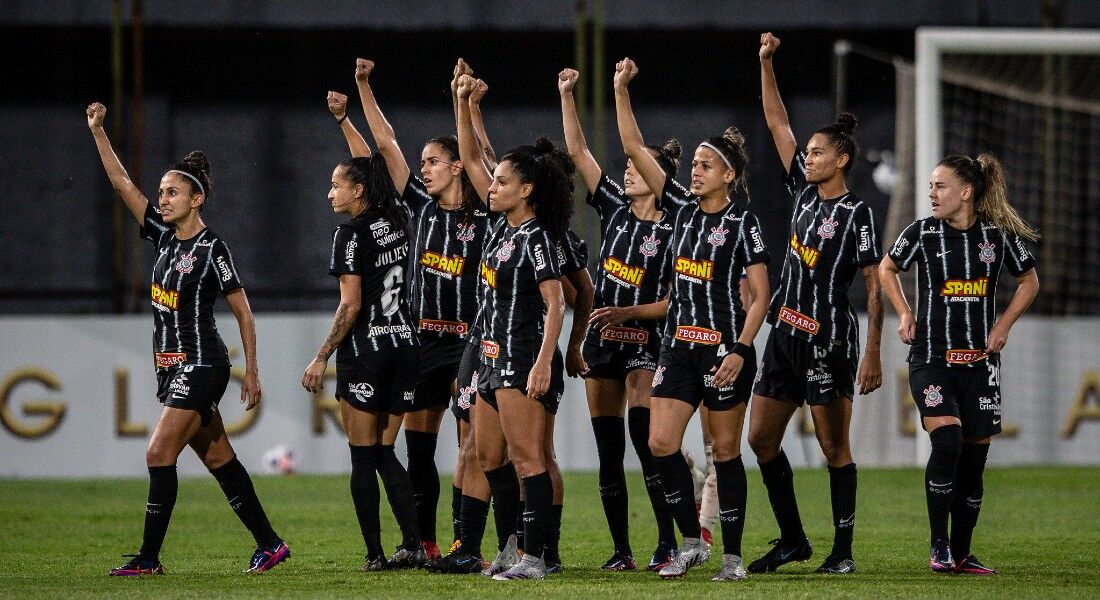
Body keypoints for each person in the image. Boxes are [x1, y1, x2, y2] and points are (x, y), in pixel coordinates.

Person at [88, 102, 289, 576]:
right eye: (161, 191)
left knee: (158, 453)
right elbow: (122, 185)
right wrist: (99, 132)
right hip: (172, 366)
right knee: (221, 459)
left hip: (202, 365)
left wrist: (253, 370)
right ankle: (271, 544)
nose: (162, 199)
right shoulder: (161, 238)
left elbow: (242, 309)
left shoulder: (211, 248)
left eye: (172, 192)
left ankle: (149, 558)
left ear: (195, 199)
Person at [614, 58, 771, 581]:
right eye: (695, 164)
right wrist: (620, 90)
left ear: (727, 175)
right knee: (659, 444)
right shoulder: (678, 207)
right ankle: (689, 542)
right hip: (678, 346)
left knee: (726, 452)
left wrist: (740, 350)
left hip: (723, 350)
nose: (695, 171)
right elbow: (635, 146)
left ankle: (731, 556)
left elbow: (761, 296)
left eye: (706, 165)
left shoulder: (743, 222)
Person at [746, 32, 884, 575]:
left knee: (833, 446)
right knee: (760, 439)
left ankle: (843, 552)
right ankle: (793, 539)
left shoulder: (858, 215)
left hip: (829, 340)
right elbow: (777, 122)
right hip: (784, 332)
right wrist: (766, 63)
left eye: (818, 151)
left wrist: (872, 351)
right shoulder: (802, 192)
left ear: (842, 158)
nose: (807, 156)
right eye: (807, 152)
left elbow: (874, 282)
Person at [347, 57, 490, 562]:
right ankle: (424, 542)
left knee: (474, 446)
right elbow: (384, 143)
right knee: (417, 447)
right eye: (423, 161)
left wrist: (465, 103)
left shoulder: (485, 211)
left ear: (456, 167)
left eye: (432, 161)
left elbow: (481, 155)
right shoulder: (418, 208)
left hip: (470, 341)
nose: (423, 167)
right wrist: (365, 85)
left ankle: (466, 542)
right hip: (422, 340)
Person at [881, 153, 1039, 575]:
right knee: (947, 440)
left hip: (980, 365)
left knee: (974, 460)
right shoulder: (922, 233)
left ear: (966, 192)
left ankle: (963, 552)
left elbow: (1029, 281)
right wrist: (904, 312)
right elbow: (887, 268)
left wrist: (1003, 325)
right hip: (931, 358)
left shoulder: (998, 236)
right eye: (931, 186)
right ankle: (939, 545)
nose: (931, 194)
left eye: (940, 186)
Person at [558, 66, 682, 572]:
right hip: (603, 339)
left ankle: (668, 542)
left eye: (639, 166)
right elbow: (579, 154)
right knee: (609, 452)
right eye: (629, 165)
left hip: (645, 341)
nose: (628, 170)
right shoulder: (613, 206)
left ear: (659, 177)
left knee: (646, 444)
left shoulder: (676, 225)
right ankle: (622, 550)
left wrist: (628, 311)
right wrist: (567, 95)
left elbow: (674, 304)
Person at [453, 73, 574, 581]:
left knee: (529, 458)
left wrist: (545, 361)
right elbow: (473, 157)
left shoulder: (539, 238)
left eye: (504, 182)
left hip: (524, 354)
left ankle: (537, 556)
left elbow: (557, 303)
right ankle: (508, 547)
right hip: (488, 352)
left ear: (526, 191)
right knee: (487, 453)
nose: (493, 186)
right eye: (495, 180)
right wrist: (462, 103)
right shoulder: (503, 228)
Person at [300, 153, 424, 571]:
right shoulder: (400, 219)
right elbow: (377, 158)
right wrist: (344, 119)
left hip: (367, 351)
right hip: (405, 344)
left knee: (362, 456)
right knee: (387, 452)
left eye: (337, 184)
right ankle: (414, 544)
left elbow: (350, 306)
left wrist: (321, 356)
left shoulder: (348, 234)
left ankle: (374, 554)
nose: (330, 192)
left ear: (360, 189)